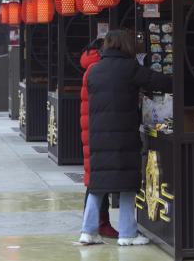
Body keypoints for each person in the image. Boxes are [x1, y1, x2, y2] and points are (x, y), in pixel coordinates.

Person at [79, 30, 172, 246]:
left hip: (98, 136)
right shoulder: (130, 68)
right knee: (128, 184)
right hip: (124, 135)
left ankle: (87, 231)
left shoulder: (94, 71)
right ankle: (127, 233)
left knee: (97, 184)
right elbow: (160, 83)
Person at [79, 38, 117, 239]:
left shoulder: (91, 66)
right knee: (97, 181)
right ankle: (98, 224)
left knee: (94, 179)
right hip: (98, 130)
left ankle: (95, 224)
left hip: (92, 130)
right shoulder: (99, 69)